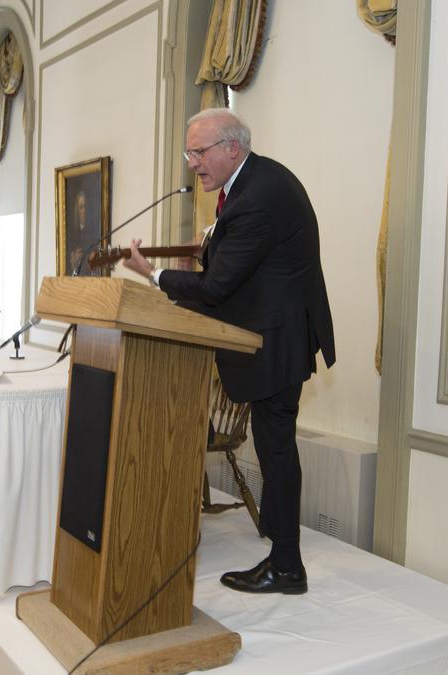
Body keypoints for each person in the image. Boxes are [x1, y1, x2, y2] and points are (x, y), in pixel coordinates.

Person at [123, 108, 335, 595]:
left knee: (276, 449)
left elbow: (219, 287)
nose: (192, 163)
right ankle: (282, 553)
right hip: (276, 336)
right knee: (275, 446)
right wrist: (199, 257)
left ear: (231, 148)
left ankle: (287, 566)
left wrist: (152, 275)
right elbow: (238, 263)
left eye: (198, 152)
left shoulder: (255, 197)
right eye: (189, 153)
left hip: (275, 342)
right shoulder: (252, 183)